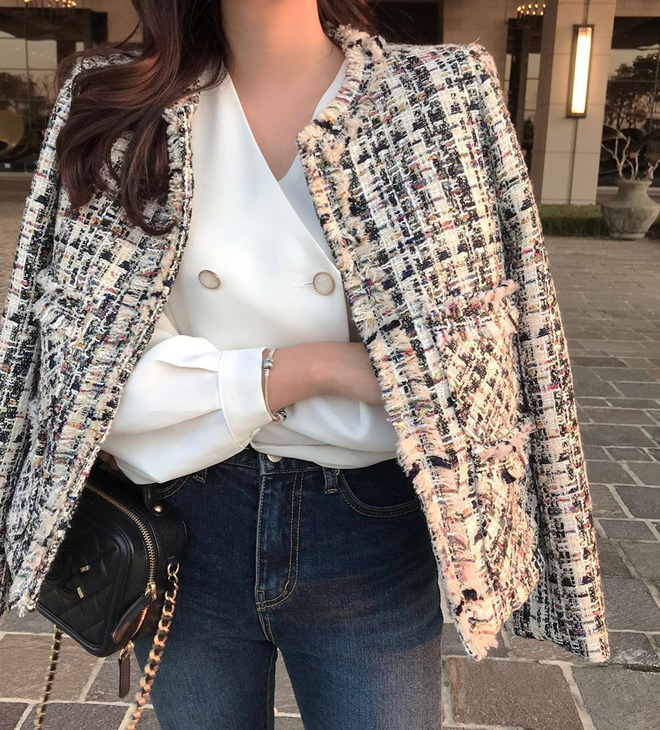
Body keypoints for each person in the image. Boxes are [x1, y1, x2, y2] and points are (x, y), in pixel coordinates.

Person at [0, 1, 612, 729]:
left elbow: (500, 346)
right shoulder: (117, 98)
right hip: (183, 523)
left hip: (369, 528)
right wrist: (321, 367)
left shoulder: (439, 92)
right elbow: (82, 373)